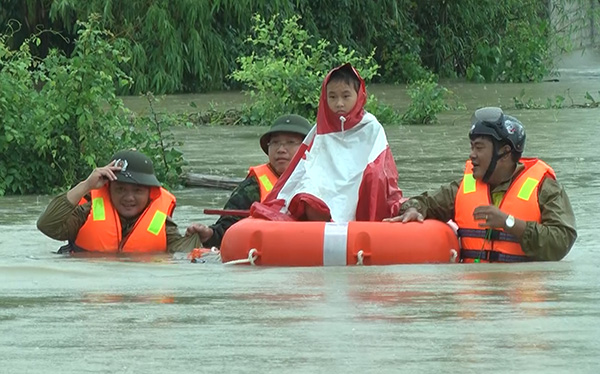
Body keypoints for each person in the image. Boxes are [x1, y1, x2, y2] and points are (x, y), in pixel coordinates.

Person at [384, 106, 577, 262]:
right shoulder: (463, 188)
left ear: (505, 152)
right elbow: (425, 202)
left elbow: (562, 241)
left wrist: (509, 223)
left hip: (520, 304)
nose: (472, 155)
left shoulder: (545, 188)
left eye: (479, 147)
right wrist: (412, 209)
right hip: (476, 302)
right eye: (471, 147)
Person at [250, 63, 404, 222]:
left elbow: (383, 170)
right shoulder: (320, 130)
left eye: (346, 96)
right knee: (307, 192)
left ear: (358, 95)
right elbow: (303, 165)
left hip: (359, 190)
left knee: (374, 178)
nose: (339, 103)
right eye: (332, 97)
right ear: (325, 97)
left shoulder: (371, 127)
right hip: (325, 193)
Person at [185, 114, 313, 248]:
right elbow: (227, 227)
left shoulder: (325, 181)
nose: (281, 150)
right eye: (275, 143)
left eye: (290, 142)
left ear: (308, 148)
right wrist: (209, 234)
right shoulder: (253, 186)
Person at [37, 150, 200, 254]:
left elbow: (182, 254)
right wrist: (86, 185)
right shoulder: (86, 213)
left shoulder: (161, 223)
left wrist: (197, 238)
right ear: (108, 189)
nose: (129, 198)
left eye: (137, 191)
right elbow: (47, 225)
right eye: (120, 189)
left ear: (150, 193)